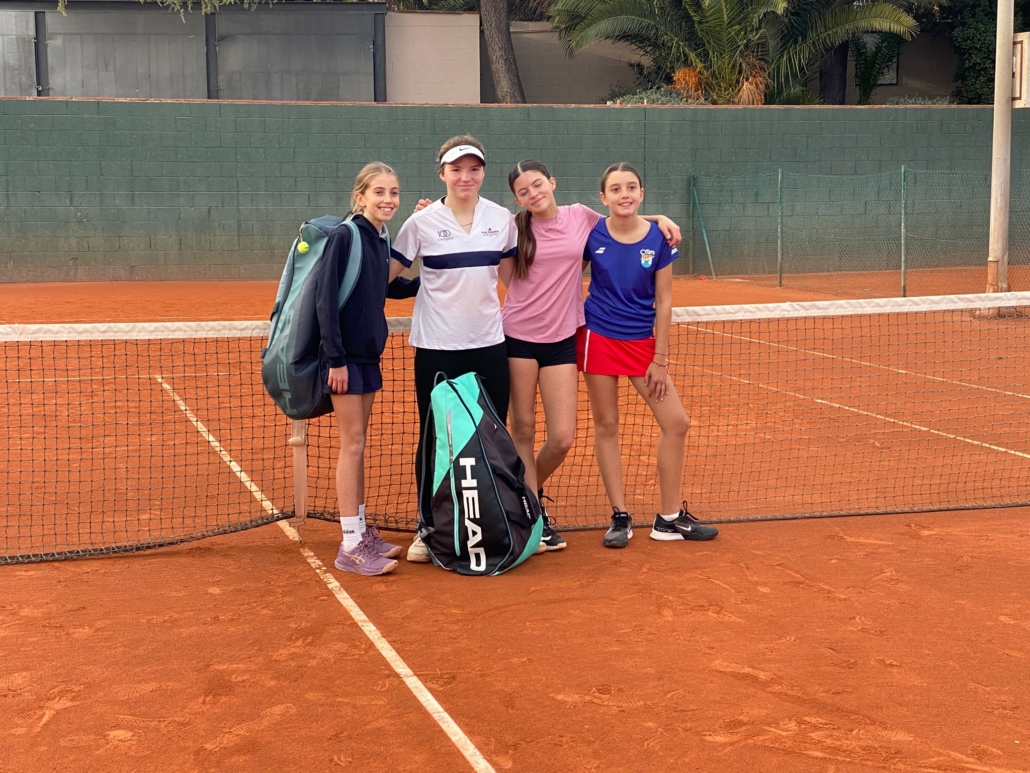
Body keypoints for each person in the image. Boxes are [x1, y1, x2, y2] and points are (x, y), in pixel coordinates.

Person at [500, 160, 683, 551]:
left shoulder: (580, 217)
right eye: (523, 191)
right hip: (518, 336)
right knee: (524, 430)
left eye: (538, 184)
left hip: (564, 337)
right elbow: (497, 267)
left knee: (562, 438)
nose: (534, 193)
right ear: (516, 199)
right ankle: (530, 513)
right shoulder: (512, 228)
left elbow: (622, 217)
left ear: (552, 182)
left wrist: (660, 218)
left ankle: (518, 495)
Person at [391, 135, 523, 563]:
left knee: (494, 436)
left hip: (489, 346)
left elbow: (514, 281)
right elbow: (383, 274)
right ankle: (428, 526)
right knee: (436, 439)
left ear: (483, 173)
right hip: (437, 348)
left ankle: (499, 520)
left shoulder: (502, 219)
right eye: (456, 169)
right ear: (442, 174)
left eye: (474, 169)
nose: (466, 177)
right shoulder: (421, 223)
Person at [578, 162, 718, 549]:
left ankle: (669, 519)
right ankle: (620, 516)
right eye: (616, 189)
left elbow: (665, 300)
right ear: (603, 196)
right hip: (597, 337)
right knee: (607, 425)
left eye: (631, 187)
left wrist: (660, 357)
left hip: (643, 344)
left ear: (642, 193)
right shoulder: (591, 233)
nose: (624, 194)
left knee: (677, 422)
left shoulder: (659, 238)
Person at [316, 162, 413, 576]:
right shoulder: (346, 235)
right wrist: (335, 359)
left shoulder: (380, 236)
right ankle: (350, 545)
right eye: (379, 192)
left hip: (369, 355)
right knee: (352, 444)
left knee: (359, 444)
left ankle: (360, 532)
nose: (388, 199)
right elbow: (325, 299)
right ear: (360, 197)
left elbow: (386, 286)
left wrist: (436, 276)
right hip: (346, 359)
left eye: (394, 192)